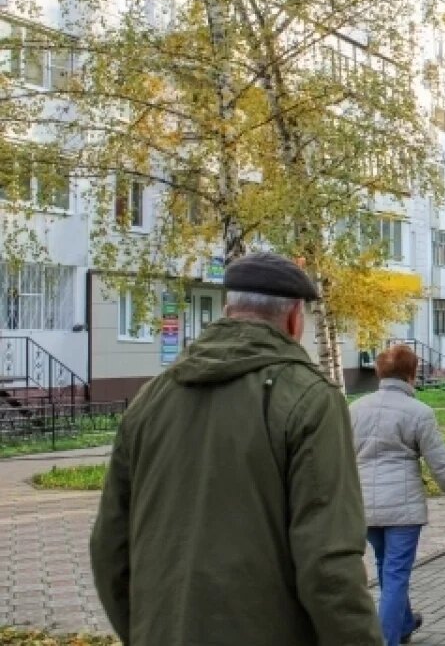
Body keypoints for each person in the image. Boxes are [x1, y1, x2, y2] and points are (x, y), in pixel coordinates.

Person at [90, 252, 381, 646]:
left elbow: (109, 548)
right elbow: (328, 565)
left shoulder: (150, 400)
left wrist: (145, 630)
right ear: (295, 318)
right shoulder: (309, 399)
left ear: (227, 310)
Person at [351, 344, 445, 645]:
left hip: (364, 507)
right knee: (395, 573)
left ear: (379, 372)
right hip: (402, 510)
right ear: (412, 374)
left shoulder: (355, 409)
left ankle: (405, 623)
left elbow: (339, 459)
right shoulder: (419, 412)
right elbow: (443, 467)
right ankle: (388, 639)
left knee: (387, 566)